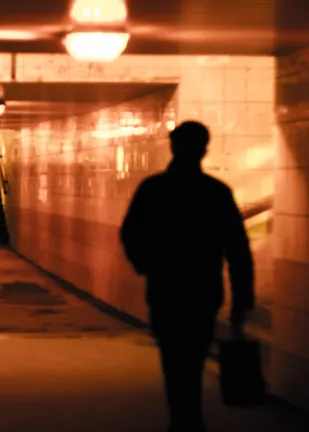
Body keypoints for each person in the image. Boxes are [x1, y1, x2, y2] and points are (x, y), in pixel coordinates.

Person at [120, 120, 254, 431]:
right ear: (204, 150)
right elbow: (237, 250)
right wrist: (242, 299)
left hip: (165, 288)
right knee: (194, 357)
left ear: (173, 147)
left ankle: (182, 418)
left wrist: (147, 265)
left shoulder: (153, 188)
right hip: (204, 290)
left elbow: (130, 233)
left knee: (173, 358)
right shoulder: (216, 192)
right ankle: (189, 419)